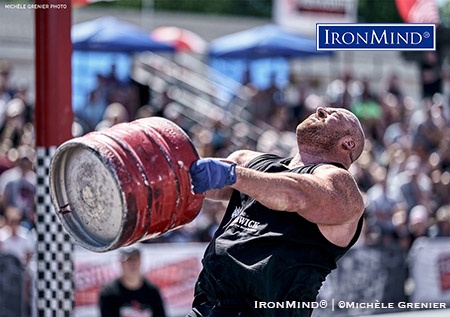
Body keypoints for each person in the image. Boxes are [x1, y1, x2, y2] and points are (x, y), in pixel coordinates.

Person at [187, 106, 366, 317]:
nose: (320, 109)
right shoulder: (249, 161)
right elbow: (189, 181)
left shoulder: (342, 186)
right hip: (207, 306)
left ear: (348, 143)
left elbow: (295, 195)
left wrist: (234, 176)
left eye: (334, 114)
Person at [98, 245, 166, 317]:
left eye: (135, 259)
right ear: (121, 263)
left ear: (140, 261)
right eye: (128, 260)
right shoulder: (109, 291)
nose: (132, 264)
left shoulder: (152, 290)